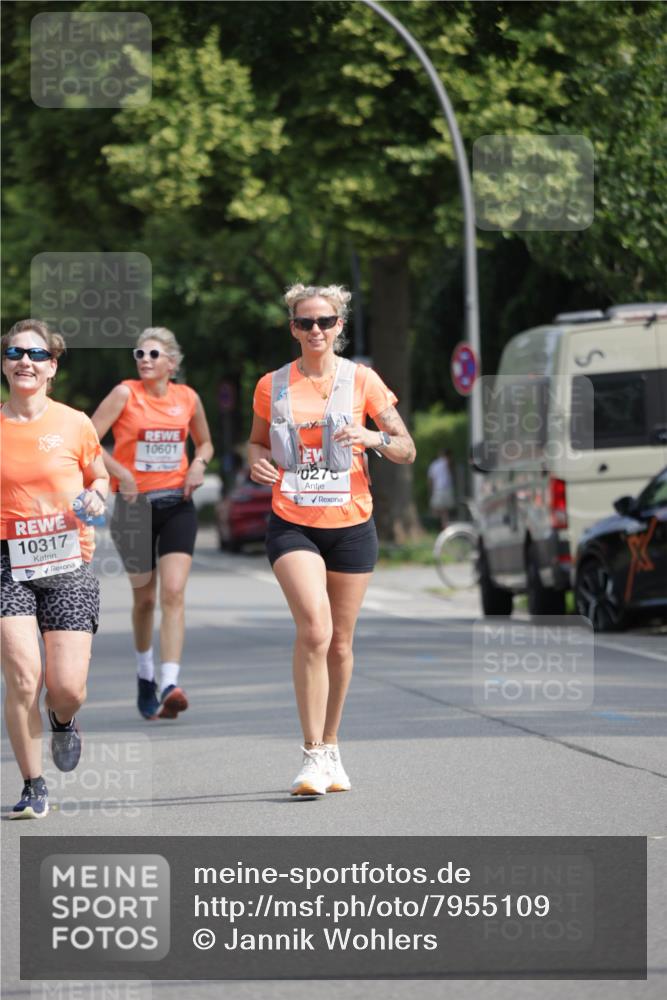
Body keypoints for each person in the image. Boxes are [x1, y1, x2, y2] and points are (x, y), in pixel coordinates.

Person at [248, 283, 416, 796]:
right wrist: (257, 462)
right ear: (293, 329)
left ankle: (332, 744)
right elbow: (256, 443)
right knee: (315, 630)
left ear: (340, 325)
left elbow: (406, 447)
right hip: (293, 521)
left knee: (340, 642)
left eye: (324, 321)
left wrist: (372, 437)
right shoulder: (272, 385)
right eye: (305, 322)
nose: (315, 330)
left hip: (351, 523)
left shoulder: (363, 380)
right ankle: (311, 753)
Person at [1, 319, 108, 819]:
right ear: (5, 364)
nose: (25, 361)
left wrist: (97, 494)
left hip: (67, 558)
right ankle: (33, 784)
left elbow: (99, 476)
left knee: (66, 688)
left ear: (52, 367)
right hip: (7, 562)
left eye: (37, 354)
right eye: (15, 353)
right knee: (24, 678)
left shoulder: (74, 423)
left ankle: (62, 719)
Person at [91, 327, 213, 721]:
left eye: (154, 354)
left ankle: (169, 683)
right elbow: (88, 439)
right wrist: (122, 474)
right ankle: (145, 675)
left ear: (171, 363)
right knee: (145, 599)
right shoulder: (125, 393)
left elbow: (205, 442)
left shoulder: (187, 397)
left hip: (177, 504)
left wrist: (198, 463)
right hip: (133, 508)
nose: (144, 360)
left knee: (173, 592)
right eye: (139, 353)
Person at [428, 447, 454, 528]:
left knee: (439, 509)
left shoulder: (434, 464)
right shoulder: (445, 462)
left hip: (438, 489)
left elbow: (431, 479)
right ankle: (442, 524)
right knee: (443, 510)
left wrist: (431, 490)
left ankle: (442, 525)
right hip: (445, 489)